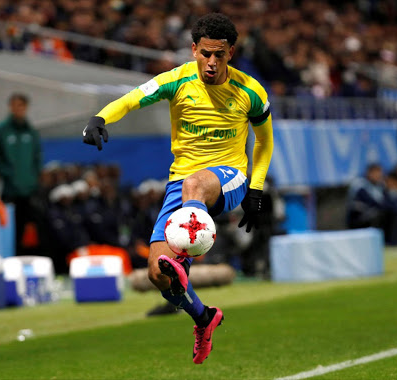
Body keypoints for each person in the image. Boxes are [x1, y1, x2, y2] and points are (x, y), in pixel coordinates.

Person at [81, 13, 273, 364]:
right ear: (193, 49)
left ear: (231, 51)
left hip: (228, 176)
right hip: (181, 187)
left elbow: (264, 142)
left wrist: (256, 190)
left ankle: (183, 258)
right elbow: (131, 98)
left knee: (195, 184)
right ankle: (203, 317)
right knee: (157, 273)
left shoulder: (251, 91)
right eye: (205, 53)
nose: (211, 62)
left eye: (219, 54)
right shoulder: (176, 80)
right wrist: (100, 118)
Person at [0, 93, 43, 256]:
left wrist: (34, 178)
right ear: (10, 107)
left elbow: (37, 158)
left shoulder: (31, 132)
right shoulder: (0, 131)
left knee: (30, 228)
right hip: (9, 190)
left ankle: (26, 259)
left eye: (22, 106)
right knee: (9, 227)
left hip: (29, 190)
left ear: (26, 108)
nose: (18, 109)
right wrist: (6, 173)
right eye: (15, 105)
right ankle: (7, 256)